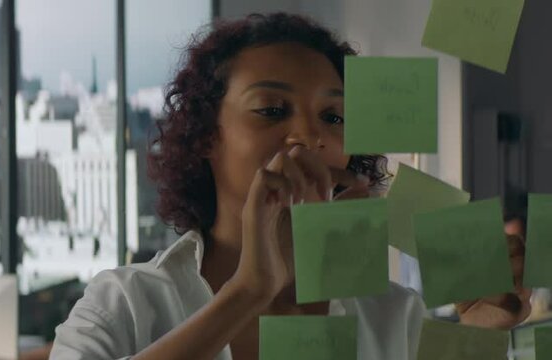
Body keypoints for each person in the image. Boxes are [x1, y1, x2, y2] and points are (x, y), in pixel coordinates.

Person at [48, 13, 531, 360]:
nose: (309, 136)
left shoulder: (392, 314)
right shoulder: (125, 304)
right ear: (205, 137)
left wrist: (478, 335)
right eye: (272, 110)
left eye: (333, 116)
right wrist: (248, 290)